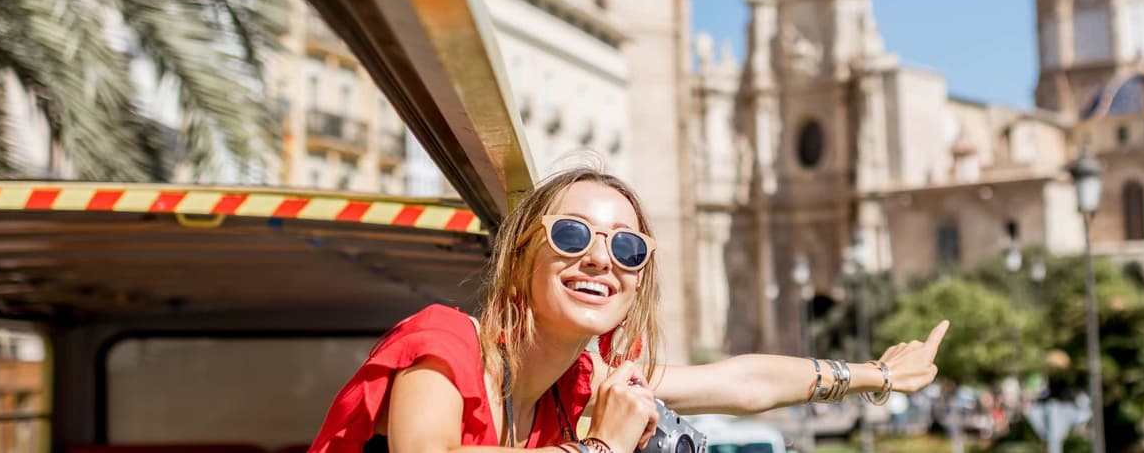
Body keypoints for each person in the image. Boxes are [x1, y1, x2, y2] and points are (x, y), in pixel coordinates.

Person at [308, 167, 952, 453]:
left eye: (626, 247)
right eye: (572, 235)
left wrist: (876, 375)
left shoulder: (579, 384)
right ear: (521, 253)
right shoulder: (443, 341)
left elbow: (740, 383)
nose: (600, 259)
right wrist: (600, 448)